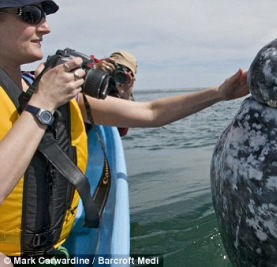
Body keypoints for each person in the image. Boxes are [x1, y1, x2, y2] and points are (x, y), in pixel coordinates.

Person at [0, 0, 248, 257]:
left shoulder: (59, 92)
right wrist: (43, 103)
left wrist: (220, 93)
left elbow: (150, 113)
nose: (46, 28)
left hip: (54, 249)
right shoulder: (49, 95)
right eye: (31, 15)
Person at [94, 50, 138, 136]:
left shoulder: (124, 93)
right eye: (118, 68)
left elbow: (121, 132)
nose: (118, 74)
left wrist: (125, 97)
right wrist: (95, 73)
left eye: (125, 72)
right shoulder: (93, 67)